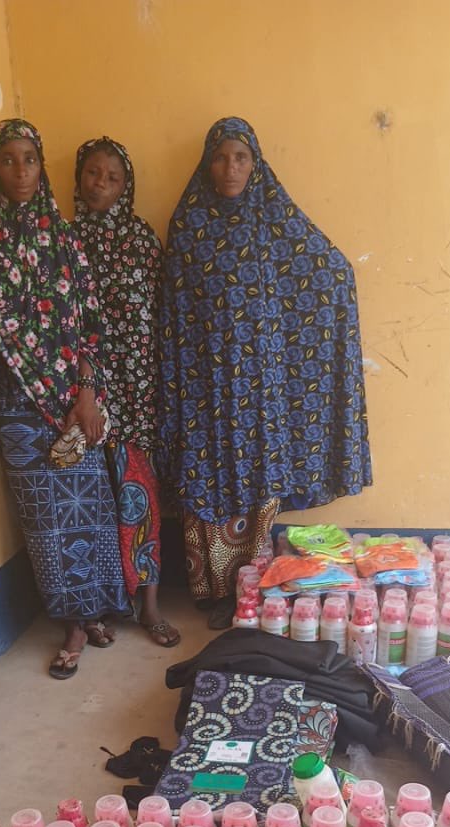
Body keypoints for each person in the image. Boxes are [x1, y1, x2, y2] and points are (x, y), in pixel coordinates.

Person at [159, 117, 373, 628]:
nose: (230, 167)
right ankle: (208, 589)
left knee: (257, 473)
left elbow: (330, 269)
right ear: (206, 163)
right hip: (202, 382)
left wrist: (337, 288)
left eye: (241, 157)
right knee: (203, 476)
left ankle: (245, 588)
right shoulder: (189, 226)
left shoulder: (274, 221)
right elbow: (172, 310)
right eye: (220, 156)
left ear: (256, 164)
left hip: (262, 385)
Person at [0, 119, 128, 679]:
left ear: (42, 166)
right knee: (47, 521)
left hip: (75, 404)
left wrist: (87, 395)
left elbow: (90, 323)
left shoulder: (61, 236)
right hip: (19, 406)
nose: (21, 171)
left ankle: (91, 611)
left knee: (90, 512)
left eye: (30, 160)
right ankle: (71, 624)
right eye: (7, 160)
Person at [72, 136, 180, 647]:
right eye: (94, 173)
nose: (102, 184)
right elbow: (66, 328)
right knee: (92, 502)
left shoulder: (141, 240)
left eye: (113, 177)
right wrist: (86, 390)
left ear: (126, 186)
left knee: (140, 496)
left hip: (139, 393)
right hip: (86, 392)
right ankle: (96, 610)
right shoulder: (63, 242)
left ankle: (149, 607)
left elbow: (161, 317)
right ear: (78, 177)